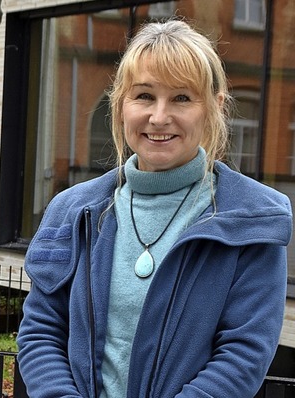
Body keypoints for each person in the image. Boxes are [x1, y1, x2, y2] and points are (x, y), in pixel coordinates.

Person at [16, 19, 292, 398]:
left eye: (181, 98)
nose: (159, 117)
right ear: (121, 103)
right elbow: (42, 331)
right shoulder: (72, 211)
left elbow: (243, 357)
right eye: (144, 96)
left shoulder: (254, 220)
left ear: (214, 106)